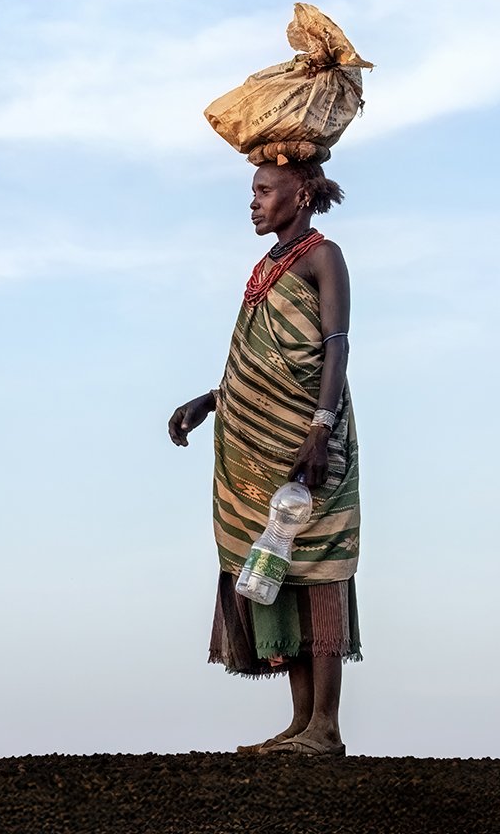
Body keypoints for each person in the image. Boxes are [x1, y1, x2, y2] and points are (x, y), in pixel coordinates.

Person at [168, 158, 362, 757]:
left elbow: (335, 347)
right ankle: (302, 722)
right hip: (256, 444)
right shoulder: (265, 266)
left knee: (319, 569)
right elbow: (255, 361)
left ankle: (325, 726)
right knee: (280, 568)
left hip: (310, 440)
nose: (253, 202)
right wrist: (208, 402)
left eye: (264, 190)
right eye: (252, 191)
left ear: (300, 193)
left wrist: (320, 429)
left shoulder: (322, 257)